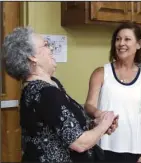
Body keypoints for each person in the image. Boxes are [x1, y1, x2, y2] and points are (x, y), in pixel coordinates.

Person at [2, 27, 118, 162]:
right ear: (32, 57)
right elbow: (80, 143)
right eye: (45, 45)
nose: (51, 49)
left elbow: (63, 128)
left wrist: (96, 126)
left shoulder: (49, 85)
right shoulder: (45, 93)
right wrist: (105, 123)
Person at [84, 22, 141, 162]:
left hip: (136, 150)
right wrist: (99, 113)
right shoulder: (101, 73)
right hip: (104, 147)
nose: (121, 43)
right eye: (118, 39)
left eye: (127, 39)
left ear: (138, 44)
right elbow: (89, 105)